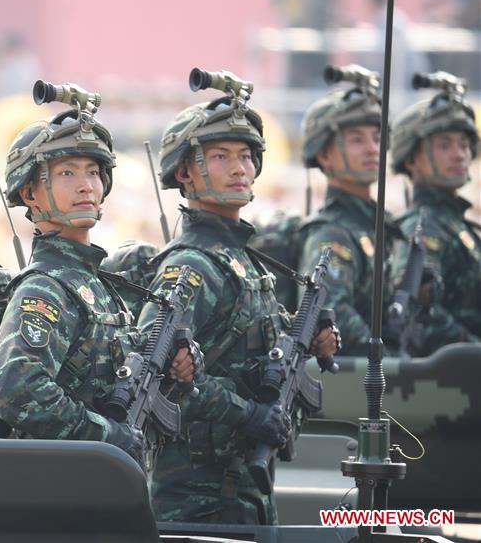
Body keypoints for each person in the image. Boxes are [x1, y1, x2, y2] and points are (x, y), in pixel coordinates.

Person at [138, 77, 339, 524]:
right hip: (197, 498)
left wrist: (311, 337)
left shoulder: (245, 262)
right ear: (185, 172)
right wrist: (247, 412)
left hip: (245, 491)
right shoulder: (191, 267)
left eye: (246, 156)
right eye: (220, 156)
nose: (239, 168)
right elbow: (156, 378)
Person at [0, 85, 193, 471]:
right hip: (63, 490)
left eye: (94, 173)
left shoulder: (101, 286)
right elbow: (18, 389)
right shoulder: (45, 289)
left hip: (103, 487)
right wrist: (105, 435)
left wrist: (177, 366)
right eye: (67, 173)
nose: (86, 185)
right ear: (30, 192)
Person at [298, 66, 396, 356]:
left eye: (377, 139)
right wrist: (392, 363)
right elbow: (330, 311)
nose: (372, 149)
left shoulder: (381, 225)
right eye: (357, 139)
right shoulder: (332, 234)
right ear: (324, 154)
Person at [390, 72, 480, 351]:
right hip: (450, 379)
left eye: (464, 144)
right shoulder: (422, 226)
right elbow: (418, 314)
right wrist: (472, 348)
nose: (459, 155)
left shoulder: (458, 224)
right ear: (412, 159)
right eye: (444, 145)